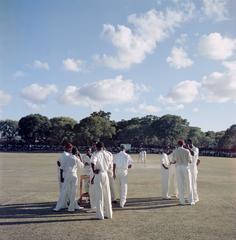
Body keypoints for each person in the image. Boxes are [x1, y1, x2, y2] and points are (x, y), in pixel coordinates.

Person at [54, 146, 84, 212]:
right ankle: (71, 208)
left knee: (64, 191)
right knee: (73, 192)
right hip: (74, 176)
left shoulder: (67, 158)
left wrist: (62, 177)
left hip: (67, 175)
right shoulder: (76, 158)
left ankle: (58, 207)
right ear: (76, 152)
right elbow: (82, 166)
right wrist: (80, 156)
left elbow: (61, 167)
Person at [90, 142, 113, 220]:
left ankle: (100, 215)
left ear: (97, 147)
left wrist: (93, 171)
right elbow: (110, 165)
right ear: (103, 147)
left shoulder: (96, 154)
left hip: (99, 174)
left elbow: (92, 162)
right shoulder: (108, 154)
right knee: (107, 194)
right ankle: (109, 214)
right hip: (105, 174)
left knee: (99, 195)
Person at [172, 140, 194, 205]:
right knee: (189, 184)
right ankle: (191, 201)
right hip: (185, 167)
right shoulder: (187, 151)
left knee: (180, 185)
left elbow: (174, 161)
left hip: (178, 168)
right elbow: (190, 161)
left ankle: (182, 201)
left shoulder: (175, 151)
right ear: (183, 144)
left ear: (177, 144)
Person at [55, 142, 72, 209]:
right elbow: (58, 163)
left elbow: (58, 162)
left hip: (66, 174)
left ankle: (67, 202)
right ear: (68, 148)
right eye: (70, 148)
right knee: (63, 189)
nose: (71, 149)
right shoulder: (64, 154)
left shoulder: (68, 154)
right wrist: (63, 170)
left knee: (68, 189)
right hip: (63, 174)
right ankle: (63, 203)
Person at [187, 139, 200, 203]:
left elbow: (193, 154)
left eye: (189, 143)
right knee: (189, 183)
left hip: (193, 168)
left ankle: (196, 197)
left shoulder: (196, 149)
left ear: (191, 143)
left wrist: (188, 148)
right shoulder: (187, 149)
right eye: (188, 143)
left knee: (193, 183)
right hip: (188, 168)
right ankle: (190, 197)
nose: (188, 144)